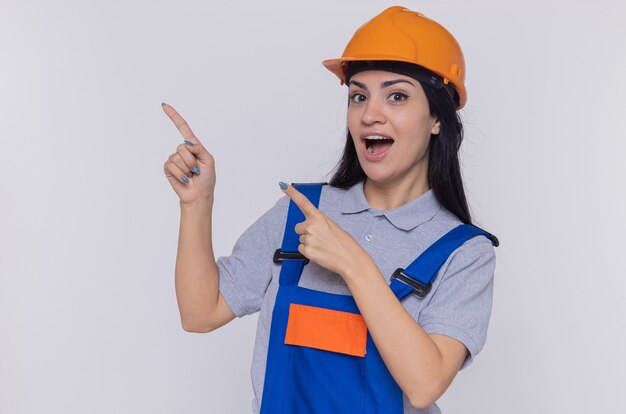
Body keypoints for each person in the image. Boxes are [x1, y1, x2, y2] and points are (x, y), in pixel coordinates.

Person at [162, 5, 498, 413]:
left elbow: (425, 384)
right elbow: (200, 313)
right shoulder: (299, 213)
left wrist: (352, 263)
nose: (370, 115)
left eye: (397, 96)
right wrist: (198, 205)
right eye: (358, 96)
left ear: (436, 119)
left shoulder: (463, 252)